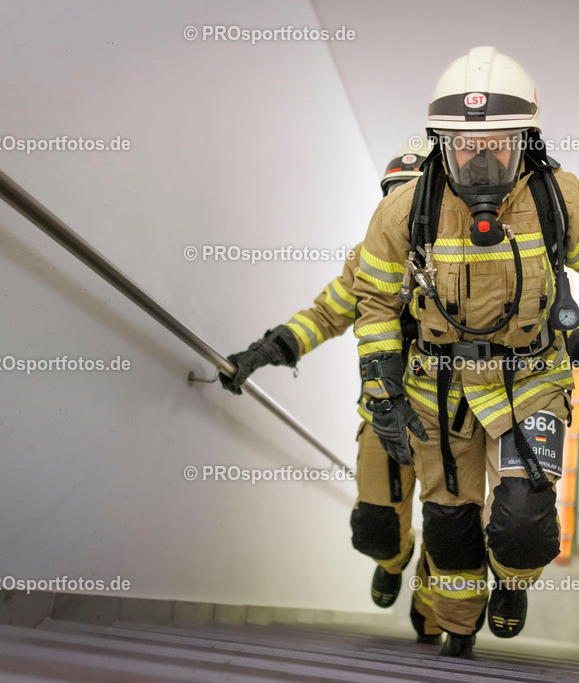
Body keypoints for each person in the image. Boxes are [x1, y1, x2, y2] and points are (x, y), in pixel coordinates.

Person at [352, 46, 579, 658]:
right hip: (439, 388)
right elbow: (372, 303)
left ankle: (512, 582)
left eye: (498, 144)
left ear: (525, 141)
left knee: (526, 522)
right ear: (440, 144)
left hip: (529, 377)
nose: (481, 160)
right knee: (450, 528)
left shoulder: (555, 196)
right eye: (464, 146)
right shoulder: (404, 211)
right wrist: (383, 392)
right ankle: (456, 623)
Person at [219, 143, 444, 643]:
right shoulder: (367, 261)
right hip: (384, 420)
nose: (404, 207)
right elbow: (324, 316)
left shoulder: (472, 259)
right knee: (374, 532)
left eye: (413, 194)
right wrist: (260, 353)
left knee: (451, 535)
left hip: (450, 427)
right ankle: (394, 559)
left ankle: (432, 610)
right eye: (393, 194)